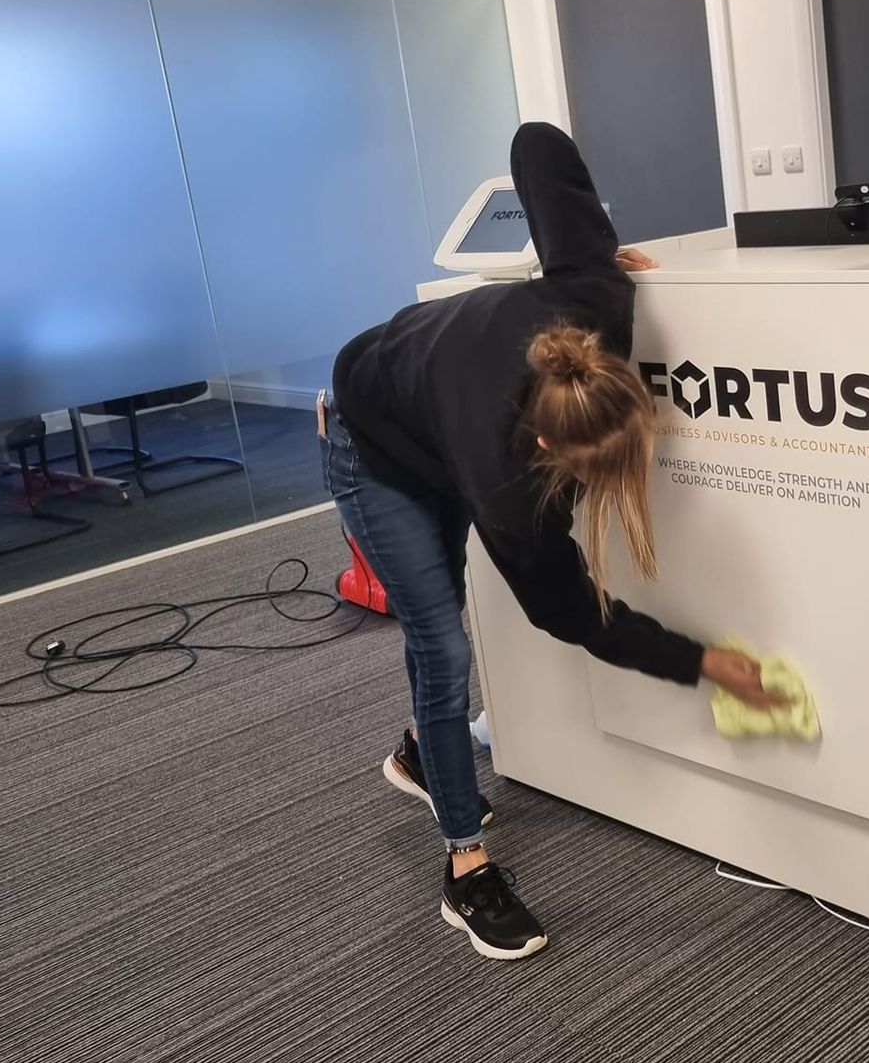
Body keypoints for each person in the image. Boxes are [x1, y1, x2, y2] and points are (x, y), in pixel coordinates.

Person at [323, 122, 773, 961]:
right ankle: (466, 867)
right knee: (440, 642)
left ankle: (426, 750)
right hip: (370, 437)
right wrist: (706, 664)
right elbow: (573, 615)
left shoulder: (598, 306)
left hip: (433, 407)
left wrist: (594, 249)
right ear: (543, 452)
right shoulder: (506, 489)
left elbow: (536, 144)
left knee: (438, 643)